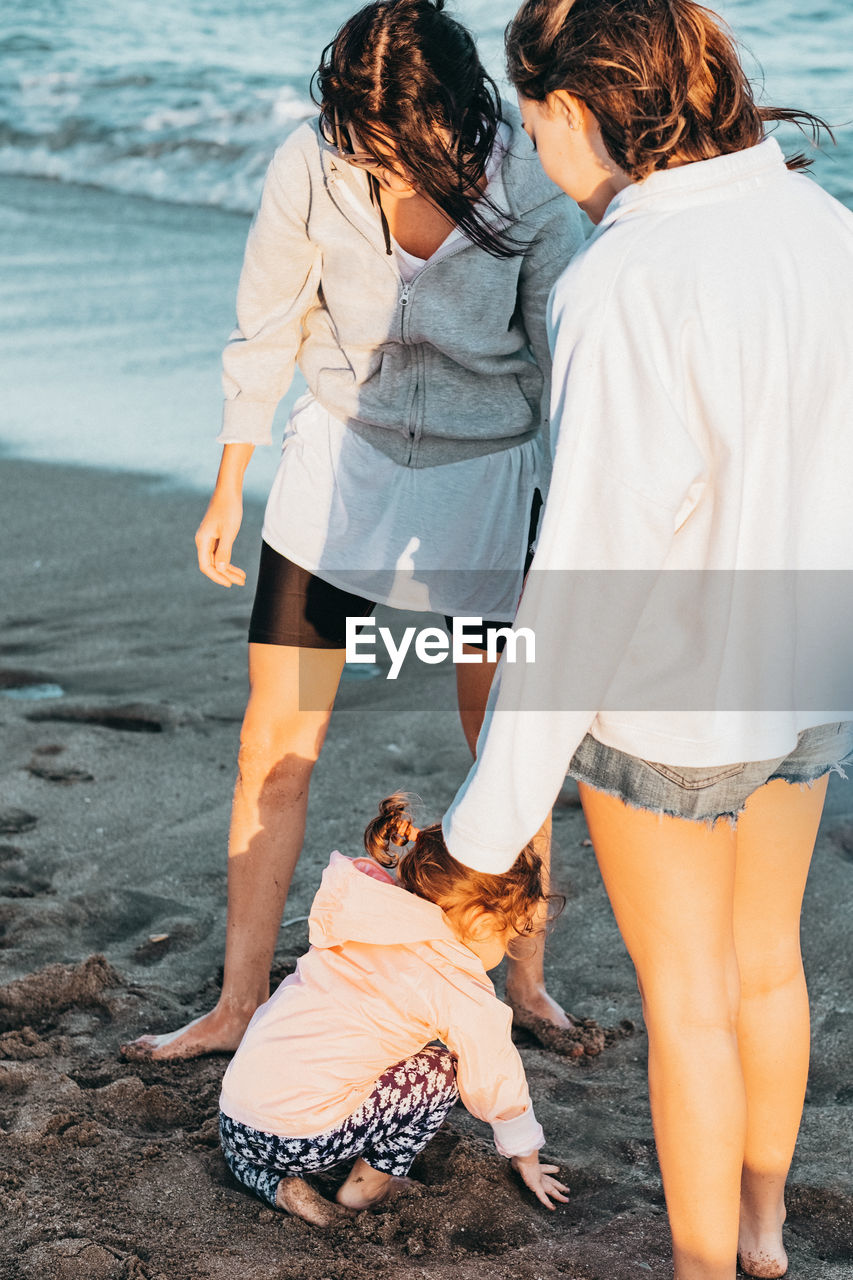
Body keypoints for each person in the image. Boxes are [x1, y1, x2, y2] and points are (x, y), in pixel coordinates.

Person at [441, 2, 853, 1278]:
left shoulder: (619, 280)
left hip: (668, 695)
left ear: (577, 111)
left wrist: (487, 814)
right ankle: (764, 1236)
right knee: (766, 968)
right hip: (809, 664)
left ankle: (699, 1269)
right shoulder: (824, 225)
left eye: (529, 116)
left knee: (688, 1005)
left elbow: (587, 570)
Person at [122, 0, 584, 1062]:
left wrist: (569, 519)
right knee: (272, 749)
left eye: (391, 153)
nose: (370, 172)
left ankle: (525, 979)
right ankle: (237, 1002)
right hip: (342, 459)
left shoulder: (529, 179)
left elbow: (565, 365)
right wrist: (230, 478)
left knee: (504, 742)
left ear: (450, 119)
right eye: (355, 143)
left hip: (486, 474)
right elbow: (268, 318)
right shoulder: (312, 159)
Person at [217, 793, 569, 1224]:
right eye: (510, 935)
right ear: (479, 923)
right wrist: (525, 1154)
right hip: (306, 1139)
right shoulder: (455, 982)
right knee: (439, 1070)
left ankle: (278, 1187)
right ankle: (366, 1189)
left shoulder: (360, 913)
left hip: (237, 1117)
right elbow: (497, 1077)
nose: (507, 946)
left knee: (246, 1151)